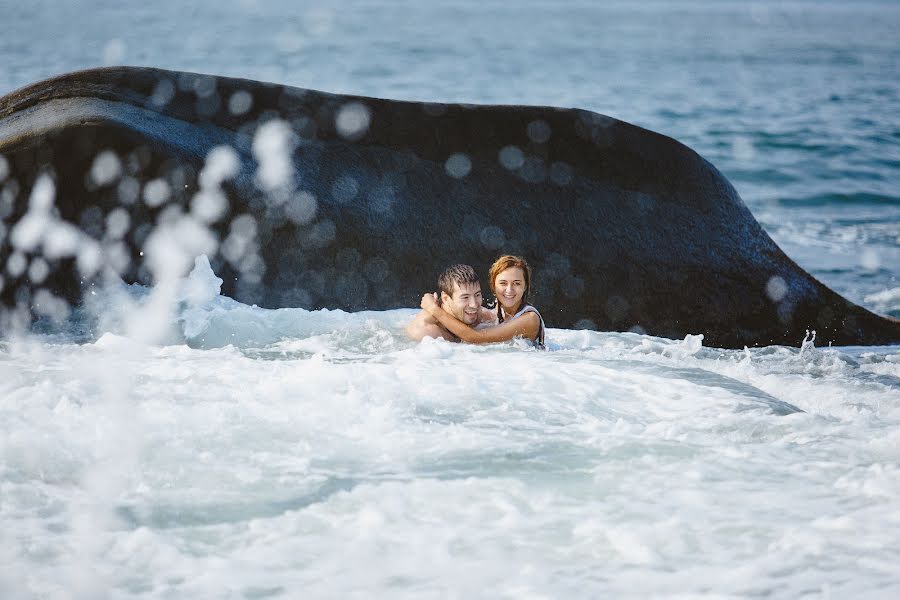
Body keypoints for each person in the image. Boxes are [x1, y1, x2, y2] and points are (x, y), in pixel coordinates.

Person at [420, 255, 545, 347]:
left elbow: (475, 337)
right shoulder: (498, 313)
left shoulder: (529, 319)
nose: (509, 290)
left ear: (525, 287)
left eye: (517, 283)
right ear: (493, 286)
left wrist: (434, 309)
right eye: (503, 283)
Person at [406, 264, 496, 341]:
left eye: (477, 295)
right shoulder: (427, 332)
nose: (474, 305)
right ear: (445, 298)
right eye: (465, 297)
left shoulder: (478, 315)